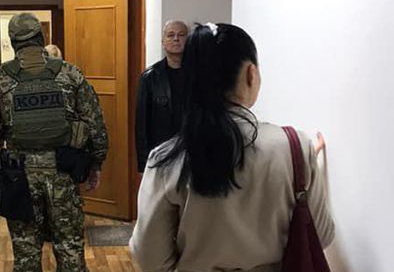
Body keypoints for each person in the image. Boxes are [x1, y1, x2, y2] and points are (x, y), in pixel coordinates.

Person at [129, 23, 335, 272]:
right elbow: (322, 235)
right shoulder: (296, 148)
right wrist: (302, 160)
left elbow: (150, 258)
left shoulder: (166, 159)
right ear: (251, 74)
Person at [0, 13, 108, 272]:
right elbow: (95, 123)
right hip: (63, 172)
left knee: (26, 253)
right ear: (41, 37)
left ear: (13, 42)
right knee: (69, 249)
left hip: (19, 176)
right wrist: (96, 163)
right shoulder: (69, 73)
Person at [134, 20, 188, 172]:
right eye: (170, 35)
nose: (176, 39)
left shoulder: (199, 74)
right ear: (163, 42)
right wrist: (143, 165)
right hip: (161, 154)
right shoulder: (150, 77)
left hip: (192, 152)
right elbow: (142, 125)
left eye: (181, 35)